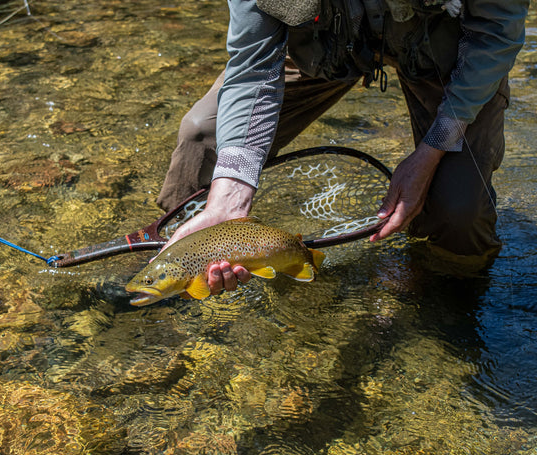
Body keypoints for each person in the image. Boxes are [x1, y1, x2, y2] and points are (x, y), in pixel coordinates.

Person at [155, 0, 529, 294]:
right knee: (202, 139)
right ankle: (176, 272)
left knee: (459, 210)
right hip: (325, 49)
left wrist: (432, 150)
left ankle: (442, 296)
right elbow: (253, 65)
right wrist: (229, 198)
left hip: (441, 56)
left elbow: (496, 33)